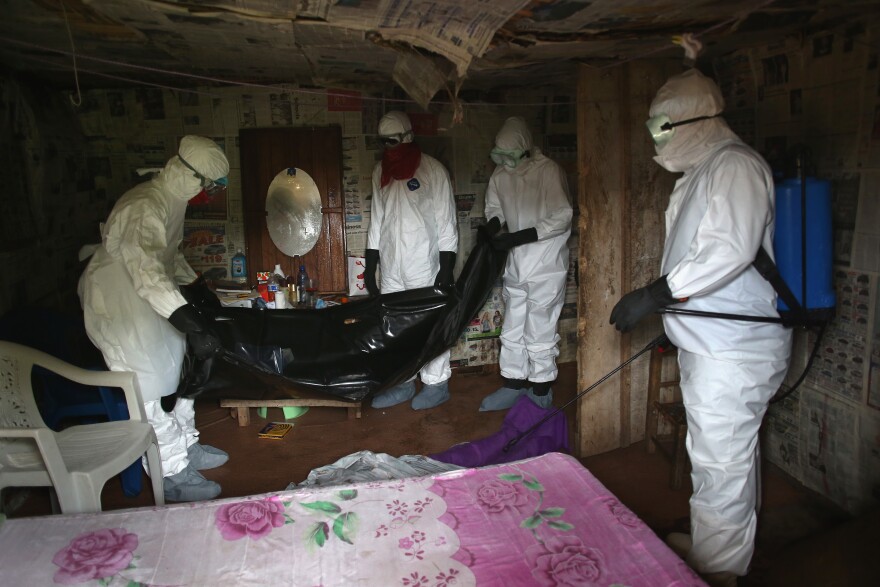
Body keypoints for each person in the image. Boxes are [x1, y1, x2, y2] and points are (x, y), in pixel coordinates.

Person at [609, 69, 792, 587]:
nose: (659, 142)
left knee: (720, 463)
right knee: (726, 455)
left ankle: (718, 572)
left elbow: (727, 252)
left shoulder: (735, 165)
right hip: (711, 341)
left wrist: (653, 296)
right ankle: (719, 546)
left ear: (699, 121)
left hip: (733, 348)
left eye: (665, 130)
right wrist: (671, 315)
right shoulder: (705, 169)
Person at [79, 135, 231, 503]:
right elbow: (144, 264)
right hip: (119, 303)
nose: (208, 195)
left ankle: (186, 444)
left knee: (177, 373)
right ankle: (173, 472)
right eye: (207, 186)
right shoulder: (143, 204)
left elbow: (167, 254)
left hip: (148, 298)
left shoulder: (172, 202)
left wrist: (197, 288)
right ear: (189, 175)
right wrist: (188, 321)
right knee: (146, 386)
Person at [364, 111, 458, 410]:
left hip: (424, 264)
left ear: (408, 136)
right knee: (395, 327)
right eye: (384, 142)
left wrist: (446, 266)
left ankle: (436, 383)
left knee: (430, 325)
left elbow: (446, 222)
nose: (390, 148)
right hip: (392, 266)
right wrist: (370, 266)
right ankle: (402, 382)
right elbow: (377, 221)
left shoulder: (432, 170)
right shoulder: (381, 171)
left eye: (394, 141)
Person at [479, 117, 573, 412]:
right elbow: (495, 208)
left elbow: (562, 215)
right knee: (513, 324)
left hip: (546, 263)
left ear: (525, 150)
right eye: (501, 156)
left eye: (511, 157)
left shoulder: (549, 171)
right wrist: (493, 228)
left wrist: (520, 236)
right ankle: (513, 382)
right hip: (517, 263)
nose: (506, 163)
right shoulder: (500, 174)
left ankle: (541, 386)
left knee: (540, 326)